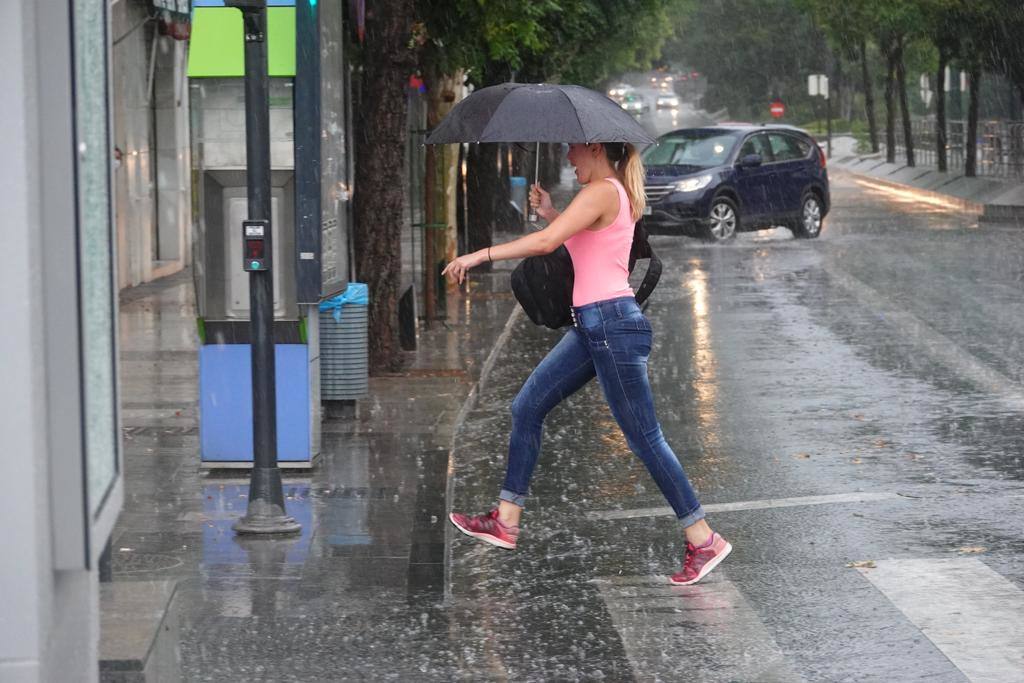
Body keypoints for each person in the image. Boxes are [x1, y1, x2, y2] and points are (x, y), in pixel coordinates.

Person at [441, 141, 731, 586]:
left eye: (572, 151)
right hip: (594, 327)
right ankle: (506, 519)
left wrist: (477, 255)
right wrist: (554, 213)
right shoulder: (609, 192)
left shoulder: (602, 190)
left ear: (594, 147)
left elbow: (546, 245)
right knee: (526, 408)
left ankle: (703, 536)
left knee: (645, 439)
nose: (568, 159)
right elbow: (585, 248)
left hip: (611, 327)